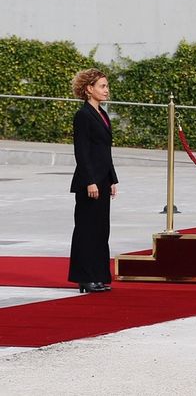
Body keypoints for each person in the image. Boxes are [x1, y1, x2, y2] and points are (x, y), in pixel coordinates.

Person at [68, 68, 119, 293]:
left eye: (107, 86)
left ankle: (98, 276)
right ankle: (84, 278)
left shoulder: (102, 114)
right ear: (89, 89)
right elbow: (82, 151)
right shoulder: (83, 115)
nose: (106, 90)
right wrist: (90, 181)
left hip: (103, 180)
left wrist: (112, 179)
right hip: (89, 182)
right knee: (86, 230)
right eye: (102, 86)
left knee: (101, 230)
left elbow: (104, 151)